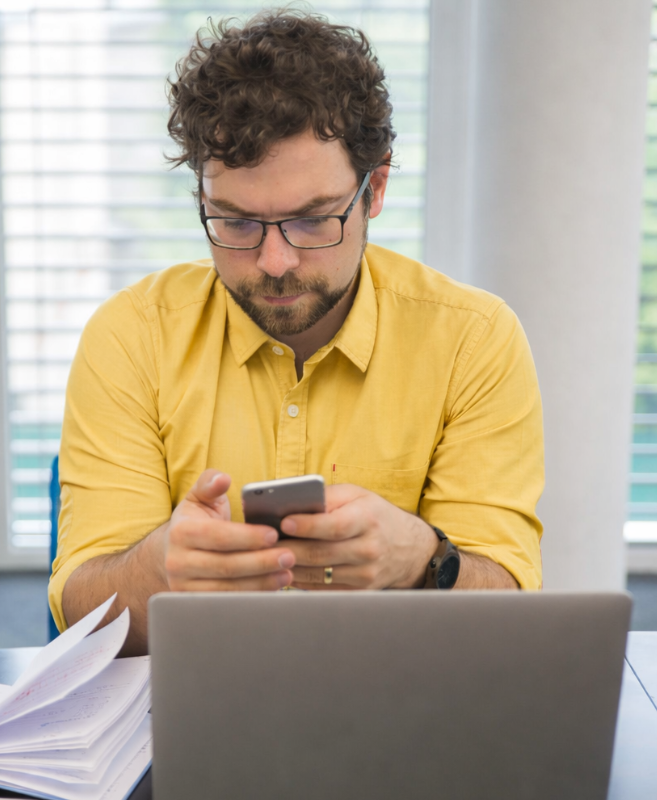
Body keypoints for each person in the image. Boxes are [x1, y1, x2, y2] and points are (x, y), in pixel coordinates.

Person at [50, 9, 545, 655]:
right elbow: (77, 612)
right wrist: (159, 569)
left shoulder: (474, 339)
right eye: (235, 221)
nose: (275, 262)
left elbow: (511, 607)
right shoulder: (132, 335)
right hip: (197, 703)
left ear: (375, 191)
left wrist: (424, 561)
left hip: (401, 699)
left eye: (314, 221)